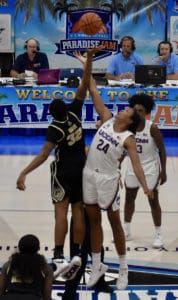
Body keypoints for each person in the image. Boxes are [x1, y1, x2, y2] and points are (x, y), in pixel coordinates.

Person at [16, 49, 97, 281]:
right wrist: (88, 60)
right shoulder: (75, 113)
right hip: (82, 168)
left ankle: (59, 254)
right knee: (78, 210)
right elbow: (84, 84)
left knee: (60, 211)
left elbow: (43, 155)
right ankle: (79, 253)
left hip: (63, 172)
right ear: (66, 107)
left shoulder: (54, 128)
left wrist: (23, 172)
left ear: (52, 114)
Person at [80, 70, 153, 290]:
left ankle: (123, 269)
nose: (123, 109)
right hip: (89, 175)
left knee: (115, 225)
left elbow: (137, 165)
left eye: (127, 110)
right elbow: (93, 90)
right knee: (93, 222)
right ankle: (97, 265)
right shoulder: (106, 118)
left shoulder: (128, 138)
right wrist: (88, 63)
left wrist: (146, 187)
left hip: (108, 181)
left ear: (129, 121)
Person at [124, 94, 167, 248]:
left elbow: (162, 150)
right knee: (129, 198)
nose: (137, 113)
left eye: (141, 111)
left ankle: (158, 234)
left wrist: (164, 171)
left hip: (150, 168)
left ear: (147, 112)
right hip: (132, 167)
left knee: (153, 200)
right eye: (135, 110)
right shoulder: (128, 127)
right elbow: (122, 149)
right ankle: (126, 231)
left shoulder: (152, 128)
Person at [0, 234, 53, 300]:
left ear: (19, 248)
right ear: (38, 249)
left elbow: (1, 290)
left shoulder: (8, 265)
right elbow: (47, 294)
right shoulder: (45, 267)